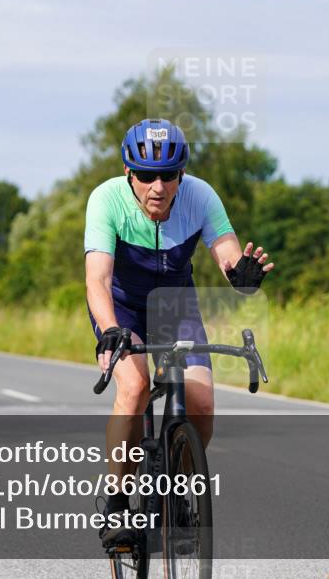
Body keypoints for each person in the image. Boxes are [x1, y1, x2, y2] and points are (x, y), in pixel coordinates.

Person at [85, 118, 274, 543]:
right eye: (147, 175)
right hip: (121, 309)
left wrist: (240, 275)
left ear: (181, 174)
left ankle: (178, 494)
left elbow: (226, 252)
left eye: (168, 175)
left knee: (202, 401)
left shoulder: (200, 196)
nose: (158, 187)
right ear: (129, 173)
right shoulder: (106, 200)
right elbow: (96, 279)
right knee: (133, 387)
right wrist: (111, 329)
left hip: (175, 305)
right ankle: (116, 503)